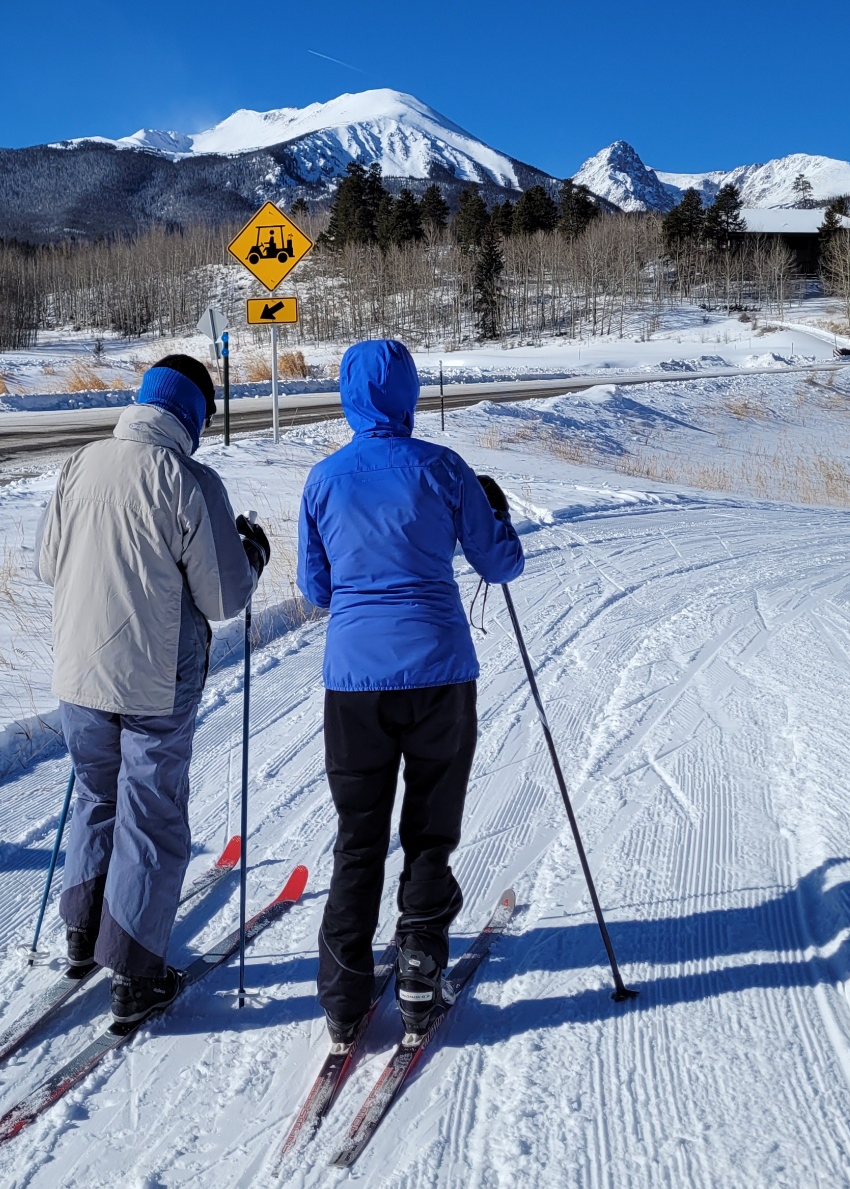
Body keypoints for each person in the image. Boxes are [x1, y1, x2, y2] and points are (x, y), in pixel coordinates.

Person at [297, 338, 524, 1045]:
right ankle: (421, 963)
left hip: (355, 680)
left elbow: (315, 588)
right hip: (440, 671)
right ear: (409, 393)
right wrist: (497, 512)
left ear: (347, 394)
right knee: (429, 830)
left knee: (357, 836)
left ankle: (342, 995)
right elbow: (500, 563)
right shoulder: (444, 468)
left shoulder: (324, 479)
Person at [35, 355, 271, 1024]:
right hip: (154, 681)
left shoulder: (80, 463)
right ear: (193, 413)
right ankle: (135, 971)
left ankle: (83, 933)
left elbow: (46, 562)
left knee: (93, 792)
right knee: (152, 812)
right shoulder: (189, 479)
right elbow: (224, 596)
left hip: (78, 672)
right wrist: (250, 551)